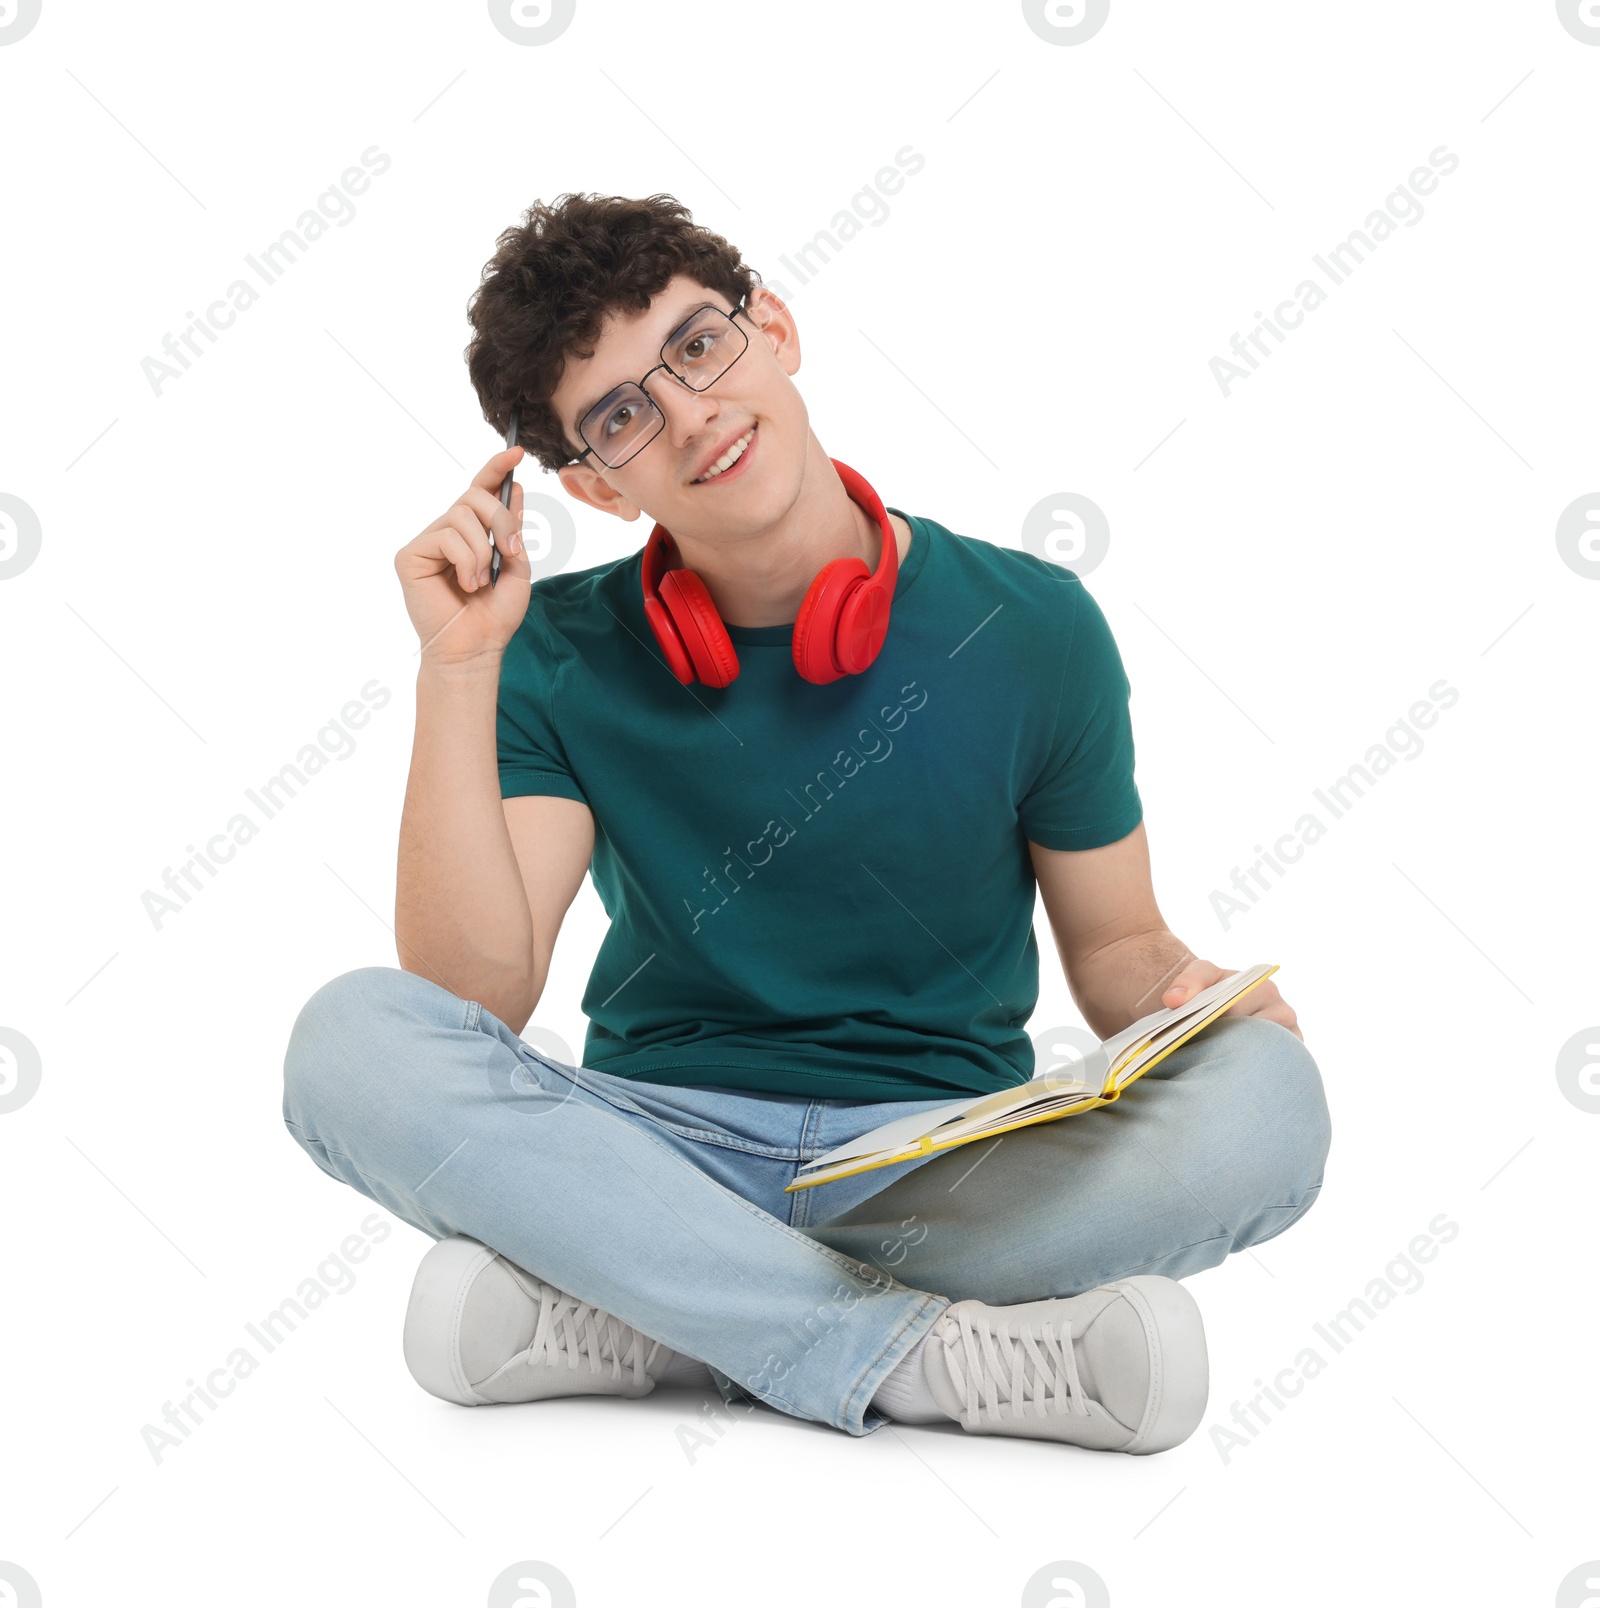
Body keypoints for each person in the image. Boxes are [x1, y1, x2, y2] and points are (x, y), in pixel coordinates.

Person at [281, 192, 1332, 1452]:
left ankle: (655, 1305)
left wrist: (1185, 995)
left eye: (695, 347)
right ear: (597, 488)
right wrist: (457, 670)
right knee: (348, 1038)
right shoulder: (551, 650)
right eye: (621, 415)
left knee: (1270, 1101)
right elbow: (473, 994)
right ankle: (911, 1356)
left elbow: (1115, 947)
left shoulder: (1035, 625)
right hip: (654, 1143)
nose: (689, 413)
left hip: (939, 1168)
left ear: (771, 326)